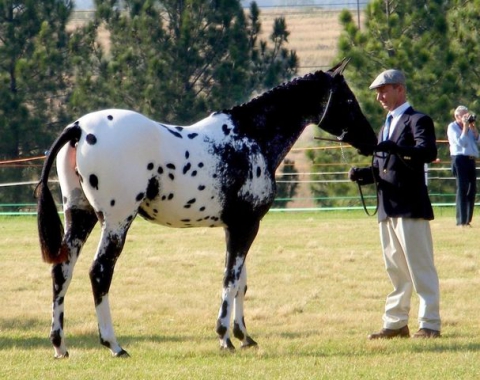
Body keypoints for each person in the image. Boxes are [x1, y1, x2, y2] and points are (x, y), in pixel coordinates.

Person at [348, 69, 441, 339]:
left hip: (410, 205)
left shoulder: (418, 120)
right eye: (378, 92)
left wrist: (397, 149)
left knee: (420, 267)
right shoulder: (385, 126)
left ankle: (430, 324)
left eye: (383, 90)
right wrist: (364, 174)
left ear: (400, 89)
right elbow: (383, 166)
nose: (379, 97)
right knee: (396, 269)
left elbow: (427, 152)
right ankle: (396, 323)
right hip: (387, 206)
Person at [446, 105, 479, 227]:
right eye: (464, 115)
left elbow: (477, 139)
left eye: (468, 115)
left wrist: (472, 126)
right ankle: (460, 220)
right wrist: (465, 127)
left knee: (472, 190)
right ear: (457, 116)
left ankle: (467, 220)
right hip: (459, 159)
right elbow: (462, 143)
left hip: (470, 159)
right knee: (462, 188)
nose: (467, 117)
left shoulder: (469, 127)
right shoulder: (452, 127)